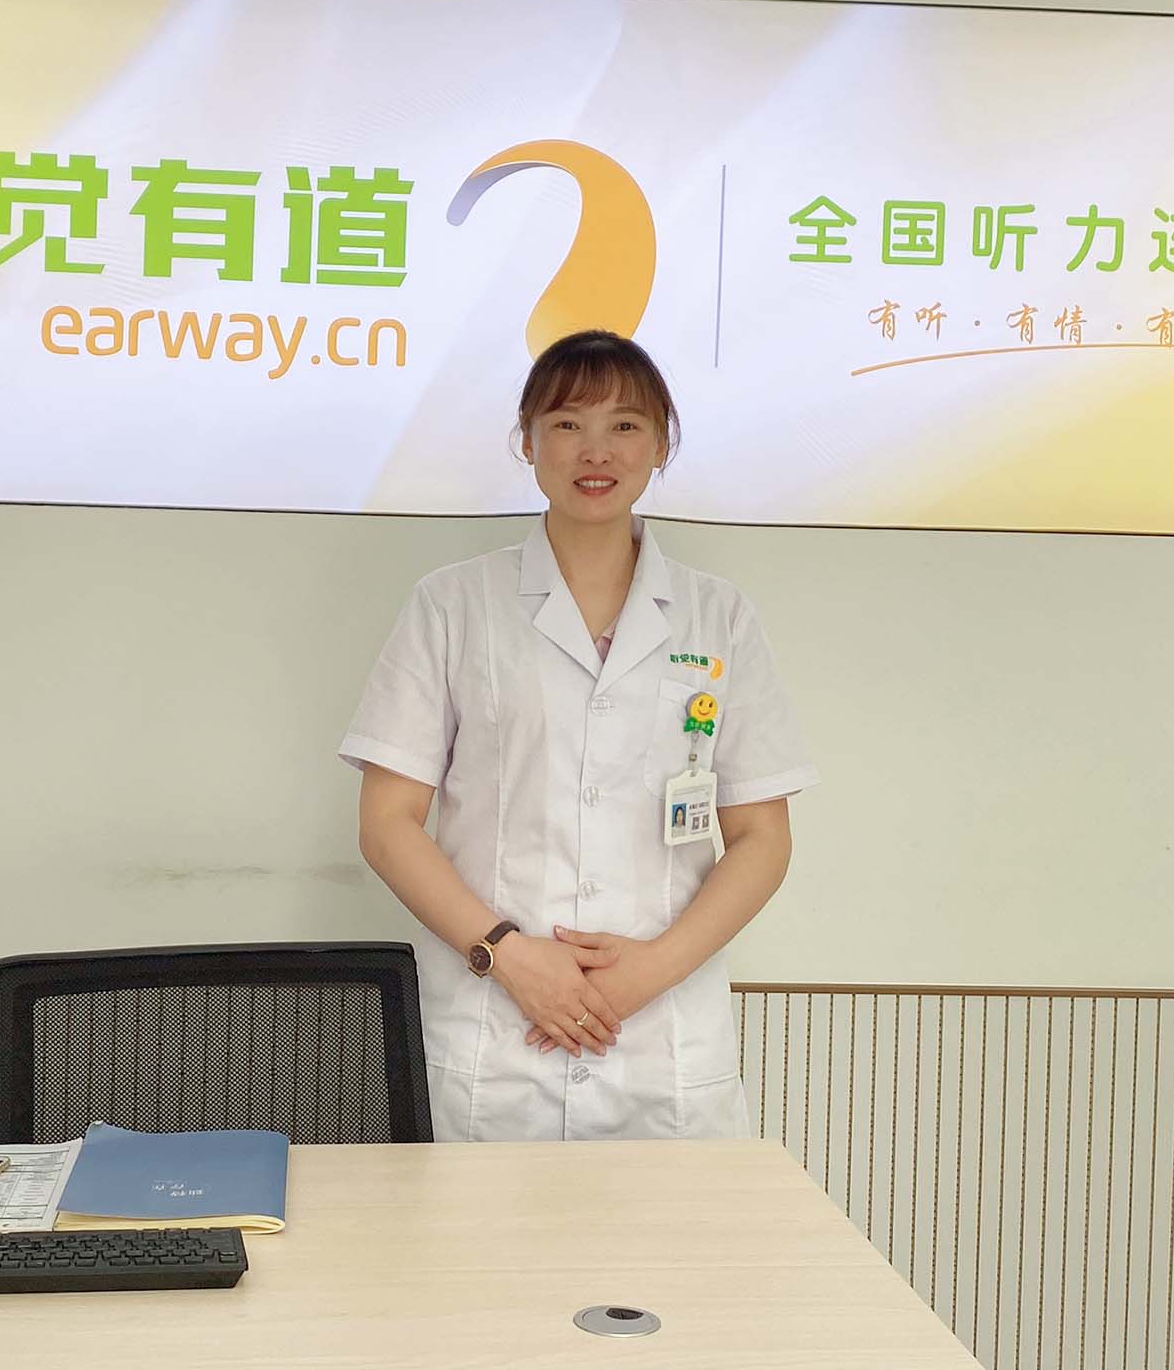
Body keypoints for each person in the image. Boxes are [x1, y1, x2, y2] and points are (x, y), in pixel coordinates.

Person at [340, 330, 817, 1140]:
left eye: (626, 425)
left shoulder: (719, 616)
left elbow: (762, 838)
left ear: (662, 443)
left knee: (676, 1230)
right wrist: (509, 956)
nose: (596, 451)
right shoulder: (452, 605)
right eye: (567, 424)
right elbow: (388, 823)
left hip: (661, 1041)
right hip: (495, 1033)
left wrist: (649, 972)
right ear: (527, 440)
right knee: (476, 1227)